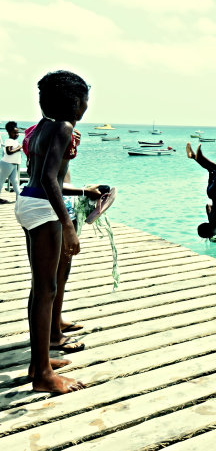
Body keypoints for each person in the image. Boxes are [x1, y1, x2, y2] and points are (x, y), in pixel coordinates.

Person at [14, 70, 102, 394]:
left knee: (41, 288)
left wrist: (83, 193)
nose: (86, 108)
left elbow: (41, 175)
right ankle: (43, 377)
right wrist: (68, 225)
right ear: (75, 102)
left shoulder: (41, 128)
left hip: (28, 202)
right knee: (47, 288)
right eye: (85, 101)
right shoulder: (64, 127)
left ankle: (39, 364)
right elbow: (52, 179)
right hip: (44, 209)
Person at [0, 121, 22, 204]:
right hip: (6, 163)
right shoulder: (8, 140)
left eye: (17, 132)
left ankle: (20, 198)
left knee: (15, 181)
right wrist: (19, 148)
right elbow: (8, 151)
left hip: (12, 165)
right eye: (14, 133)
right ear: (9, 133)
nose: (16, 134)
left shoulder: (14, 141)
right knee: (1, 181)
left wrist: (18, 147)